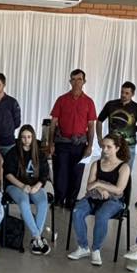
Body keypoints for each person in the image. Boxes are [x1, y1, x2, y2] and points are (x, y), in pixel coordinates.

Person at [67, 135, 131, 266]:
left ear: (117, 148)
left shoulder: (124, 167)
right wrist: (100, 187)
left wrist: (98, 183)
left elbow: (119, 190)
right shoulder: (96, 164)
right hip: (93, 197)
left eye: (109, 147)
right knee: (77, 211)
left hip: (114, 201)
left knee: (101, 215)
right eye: (103, 147)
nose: (104, 150)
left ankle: (96, 249)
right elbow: (89, 186)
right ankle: (83, 247)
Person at [50, 68, 97, 209]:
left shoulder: (89, 102)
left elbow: (91, 125)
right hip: (62, 143)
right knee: (60, 173)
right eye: (74, 79)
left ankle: (71, 201)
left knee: (77, 174)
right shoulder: (61, 100)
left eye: (79, 79)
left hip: (80, 144)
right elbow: (53, 123)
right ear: (70, 81)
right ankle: (59, 199)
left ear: (84, 81)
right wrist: (51, 143)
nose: (76, 82)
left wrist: (90, 146)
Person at [3, 124, 52, 255]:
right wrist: (22, 186)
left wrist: (37, 186)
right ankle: (37, 237)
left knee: (43, 203)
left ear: (33, 137)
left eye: (29, 137)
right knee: (24, 202)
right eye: (23, 137)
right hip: (15, 186)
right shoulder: (13, 152)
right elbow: (8, 174)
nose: (26, 140)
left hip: (34, 186)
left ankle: (36, 239)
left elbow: (44, 174)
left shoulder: (39, 154)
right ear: (20, 138)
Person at [98, 81, 137, 153]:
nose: (123, 95)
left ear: (133, 94)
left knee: (127, 162)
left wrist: (130, 128)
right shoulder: (110, 104)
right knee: (107, 161)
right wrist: (99, 139)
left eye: (127, 93)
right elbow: (99, 120)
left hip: (129, 146)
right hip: (111, 144)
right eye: (122, 92)